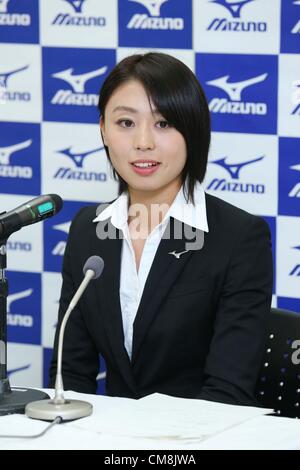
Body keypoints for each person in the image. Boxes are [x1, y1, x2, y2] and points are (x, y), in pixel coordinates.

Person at [49, 52, 273, 406]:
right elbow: (72, 375)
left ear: (193, 130)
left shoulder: (240, 238)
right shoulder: (86, 231)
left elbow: (227, 392)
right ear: (103, 131)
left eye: (164, 123)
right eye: (125, 123)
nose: (143, 142)